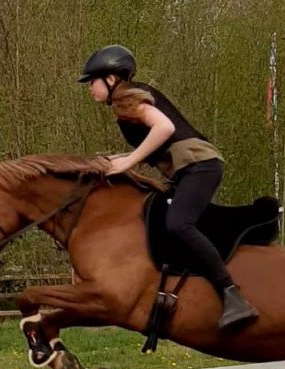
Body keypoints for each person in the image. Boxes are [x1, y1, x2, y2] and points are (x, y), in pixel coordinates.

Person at [78, 44, 258, 329]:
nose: (89, 87)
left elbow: (165, 129)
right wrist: (111, 161)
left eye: (92, 81)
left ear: (111, 79)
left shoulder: (129, 99)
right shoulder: (125, 103)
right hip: (189, 169)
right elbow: (153, 145)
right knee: (161, 221)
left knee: (178, 224)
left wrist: (127, 164)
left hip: (200, 166)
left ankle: (232, 294)